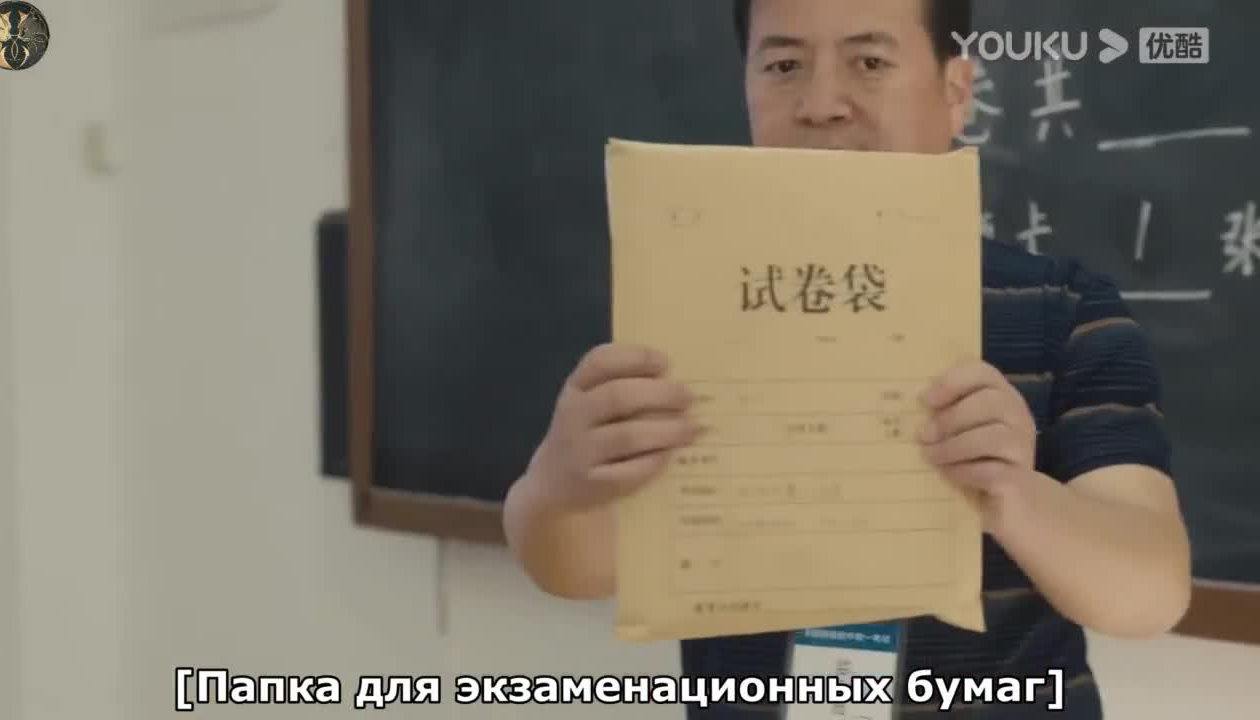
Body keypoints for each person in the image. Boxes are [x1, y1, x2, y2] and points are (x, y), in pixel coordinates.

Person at [503, 0, 1192, 717]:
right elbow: (579, 570)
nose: (821, 104)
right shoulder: (684, 302)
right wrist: (560, 488)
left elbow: (1148, 595)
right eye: (783, 65)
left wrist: (1016, 496)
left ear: (955, 90)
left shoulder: (1064, 311)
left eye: (869, 62)